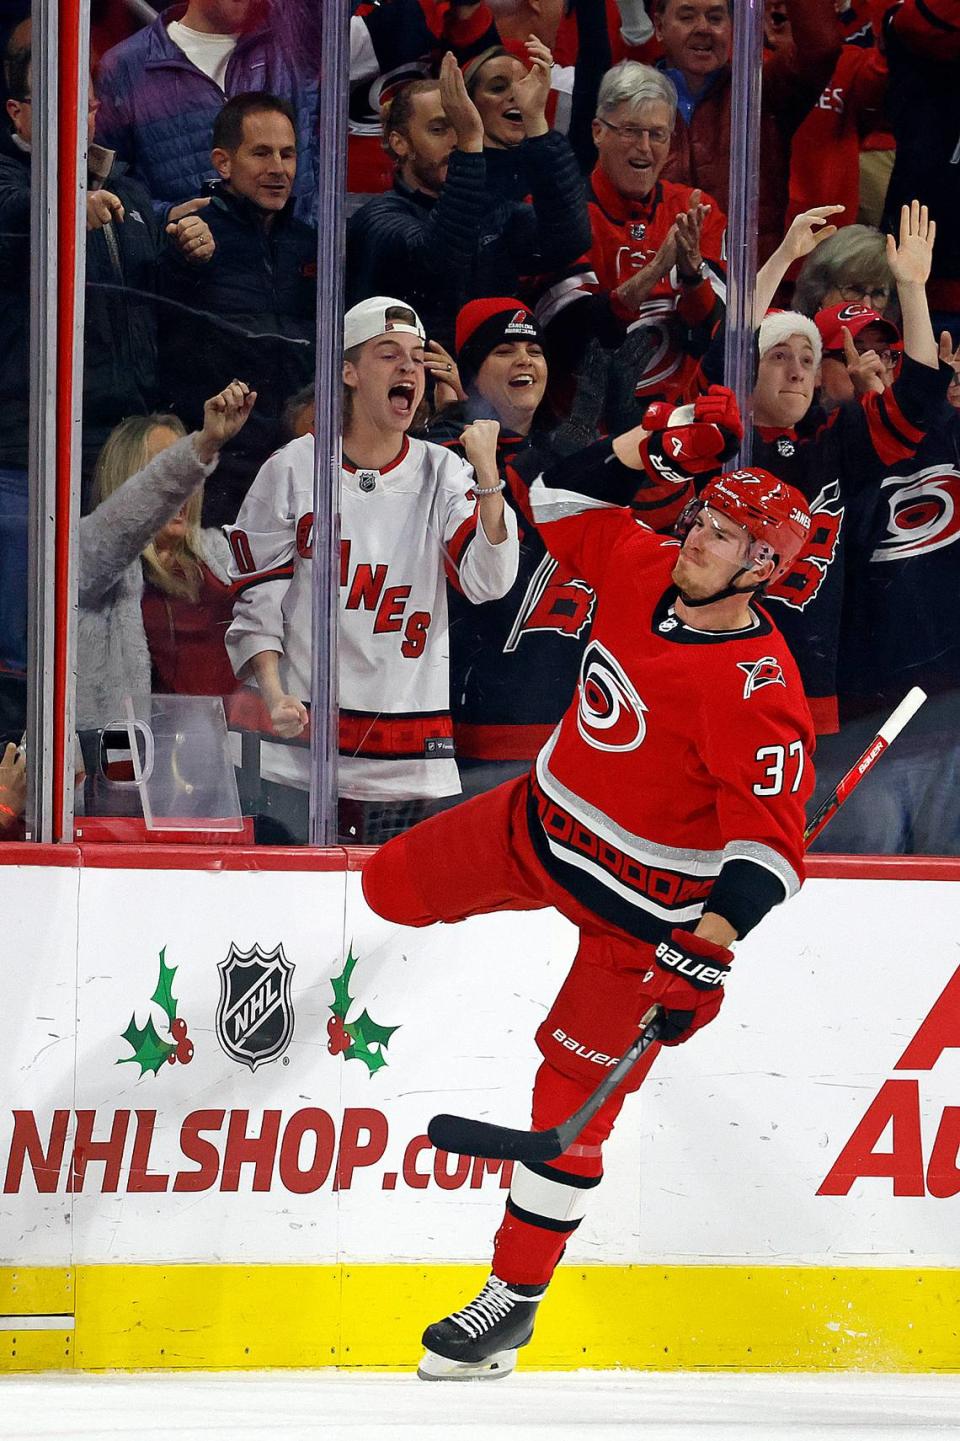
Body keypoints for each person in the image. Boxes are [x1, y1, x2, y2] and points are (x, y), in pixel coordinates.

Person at [362, 389, 816, 1380]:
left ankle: (511, 1302)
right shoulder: (642, 561)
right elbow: (556, 495)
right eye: (705, 515)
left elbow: (769, 849)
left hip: (640, 921)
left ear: (765, 569)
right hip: (536, 828)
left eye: (731, 534)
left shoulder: (759, 694)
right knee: (387, 887)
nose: (701, 536)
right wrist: (647, 443)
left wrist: (708, 947)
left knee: (568, 1104)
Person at [223, 298, 520, 845]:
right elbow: (257, 600)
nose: (408, 368)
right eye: (388, 355)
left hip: (406, 757)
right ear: (349, 371)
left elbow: (489, 581)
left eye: (416, 357)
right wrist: (272, 693)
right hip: (295, 752)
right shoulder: (291, 467)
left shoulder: (446, 472)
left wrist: (488, 479)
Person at [724, 201, 948, 735]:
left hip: (815, 675)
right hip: (728, 663)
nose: (797, 370)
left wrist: (913, 289)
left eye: (807, 358)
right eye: (781, 356)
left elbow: (916, 398)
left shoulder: (840, 440)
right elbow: (727, 344)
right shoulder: (724, 438)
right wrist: (781, 258)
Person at [157, 92, 317, 526]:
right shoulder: (191, 236)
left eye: (287, 154)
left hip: (298, 460)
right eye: (261, 153)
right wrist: (184, 259)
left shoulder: (311, 244)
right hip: (220, 466)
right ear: (223, 163)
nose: (278, 169)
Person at [537, 61, 726, 408]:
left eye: (657, 134)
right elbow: (572, 339)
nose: (644, 146)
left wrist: (691, 275)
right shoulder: (562, 211)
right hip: (580, 427)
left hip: (677, 423)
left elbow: (715, 340)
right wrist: (653, 273)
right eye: (630, 131)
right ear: (597, 132)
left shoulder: (695, 209)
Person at [77, 381, 254, 736]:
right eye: (164, 469)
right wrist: (202, 446)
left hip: (232, 770)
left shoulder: (222, 553)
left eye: (189, 473)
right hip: (137, 775)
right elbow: (126, 520)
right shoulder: (90, 556)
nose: (182, 485)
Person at [94, 0, 318, 222]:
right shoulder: (125, 66)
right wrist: (168, 216)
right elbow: (107, 187)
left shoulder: (293, 40)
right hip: (182, 253)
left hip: (293, 253)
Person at [653, 0, 840, 261]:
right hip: (658, 287)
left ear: (733, 27)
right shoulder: (633, 102)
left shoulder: (761, 91)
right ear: (658, 26)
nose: (703, 28)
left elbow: (821, 47)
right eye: (687, 17)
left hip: (750, 284)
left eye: (716, 18)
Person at [791, 223, 895, 319]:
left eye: (878, 293)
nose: (866, 307)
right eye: (854, 290)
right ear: (819, 291)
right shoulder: (790, 336)